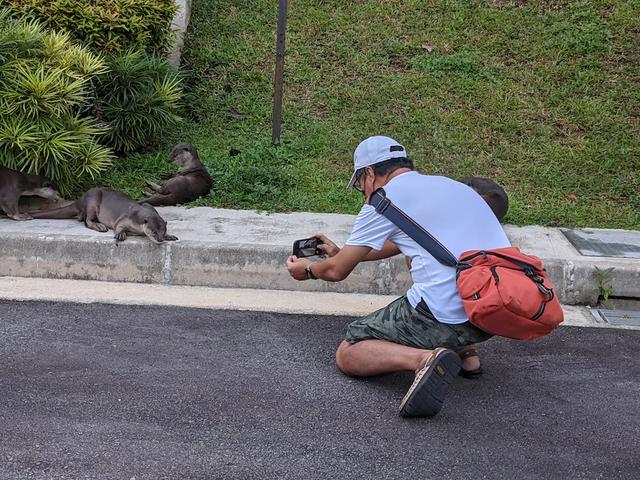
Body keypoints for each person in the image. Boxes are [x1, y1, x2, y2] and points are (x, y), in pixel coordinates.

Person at [286, 136, 511, 417]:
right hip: (494, 308)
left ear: (368, 173)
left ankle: (427, 360)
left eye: (359, 184)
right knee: (427, 261)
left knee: (350, 351)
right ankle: (468, 355)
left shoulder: (383, 199)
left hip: (443, 315)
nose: (362, 192)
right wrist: (342, 252)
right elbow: (410, 240)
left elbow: (336, 271)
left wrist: (306, 270)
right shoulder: (454, 188)